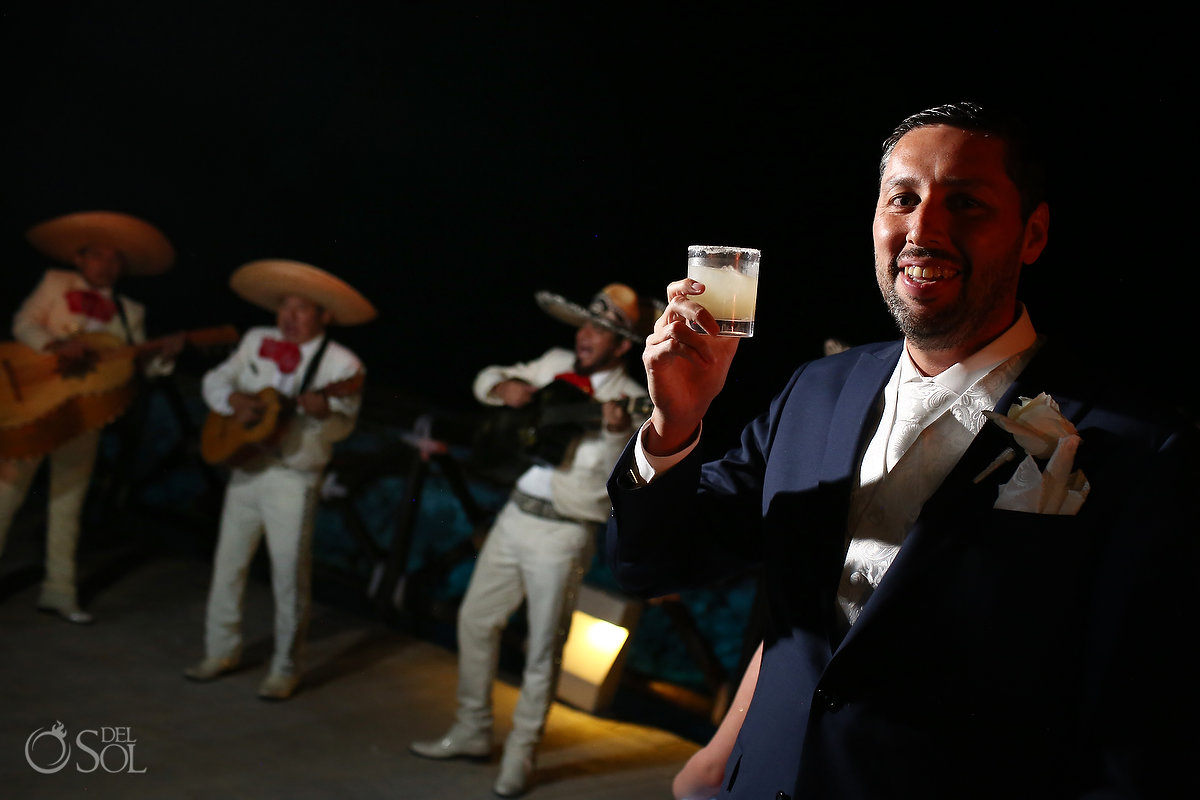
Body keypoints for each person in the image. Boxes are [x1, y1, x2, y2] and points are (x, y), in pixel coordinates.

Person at [606, 102, 1199, 799]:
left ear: (1032, 234)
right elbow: (652, 565)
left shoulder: (1143, 446)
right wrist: (676, 424)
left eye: (967, 203)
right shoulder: (817, 389)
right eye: (903, 199)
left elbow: (1141, 727)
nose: (924, 229)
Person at [410, 283, 654, 797]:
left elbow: (624, 475)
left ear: (623, 347)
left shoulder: (632, 400)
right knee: (475, 619)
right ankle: (473, 730)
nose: (586, 337)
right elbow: (486, 378)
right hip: (514, 516)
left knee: (542, 648)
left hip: (564, 534)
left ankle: (521, 755)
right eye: (586, 326)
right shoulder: (551, 362)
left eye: (601, 332)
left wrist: (613, 431)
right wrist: (503, 389)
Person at [183, 259, 375, 701]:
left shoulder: (344, 365)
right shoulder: (256, 340)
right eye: (283, 308)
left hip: (293, 477)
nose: (288, 318)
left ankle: (286, 667)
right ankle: (220, 651)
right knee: (227, 564)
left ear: (324, 315)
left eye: (300, 309)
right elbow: (216, 378)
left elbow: (343, 428)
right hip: (246, 466)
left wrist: (324, 414)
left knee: (289, 575)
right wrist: (233, 400)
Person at [0, 210, 181, 624]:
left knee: (69, 502)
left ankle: (59, 591)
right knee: (5, 495)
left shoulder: (130, 310)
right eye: (97, 255)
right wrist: (55, 344)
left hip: (84, 415)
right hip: (37, 407)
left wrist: (162, 360)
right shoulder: (55, 282)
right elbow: (23, 323)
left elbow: (135, 367)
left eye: (115, 258)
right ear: (80, 259)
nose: (106, 264)